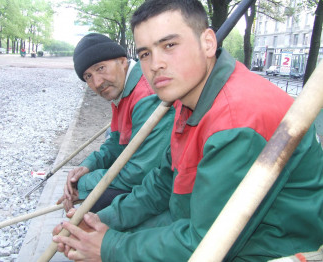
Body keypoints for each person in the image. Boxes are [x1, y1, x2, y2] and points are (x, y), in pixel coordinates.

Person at [52, 1, 323, 261]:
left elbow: (207, 243)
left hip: (265, 249)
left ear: (207, 43)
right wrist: (98, 222)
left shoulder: (236, 120)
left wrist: (109, 247)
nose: (155, 64)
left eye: (169, 45)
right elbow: (162, 183)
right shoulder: (190, 100)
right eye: (145, 53)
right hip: (201, 224)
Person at [56, 33, 174, 212]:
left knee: (95, 202)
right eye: (88, 76)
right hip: (152, 178)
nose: (97, 82)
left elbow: (140, 171)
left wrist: (84, 184)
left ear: (122, 61)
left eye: (101, 68)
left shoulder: (147, 96)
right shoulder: (121, 90)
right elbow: (117, 142)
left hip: (171, 188)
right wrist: (88, 166)